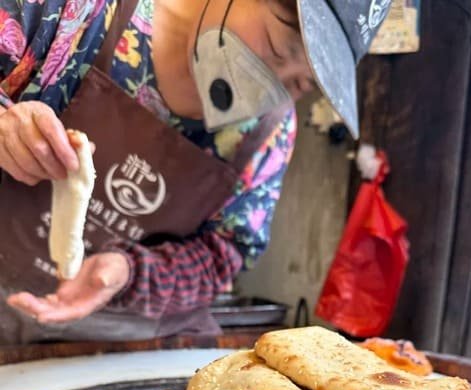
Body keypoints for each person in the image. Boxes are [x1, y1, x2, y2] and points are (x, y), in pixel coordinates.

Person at [0, 0, 392, 343]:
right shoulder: (72, 15)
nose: (270, 86)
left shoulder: (270, 132)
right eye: (276, 48)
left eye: (300, 83)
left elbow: (224, 253)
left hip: (130, 342)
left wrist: (129, 273)